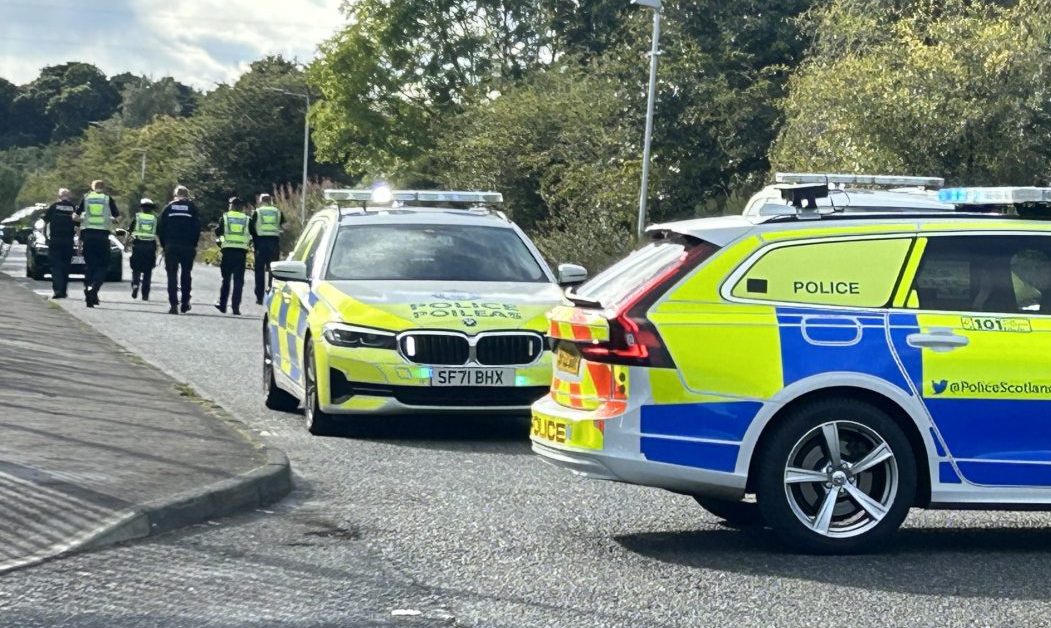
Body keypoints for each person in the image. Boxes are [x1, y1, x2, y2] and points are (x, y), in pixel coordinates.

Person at [157, 185, 202, 315]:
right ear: (187, 195)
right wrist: (193, 244)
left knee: (172, 275)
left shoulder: (168, 208)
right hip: (188, 246)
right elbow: (197, 227)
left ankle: (173, 305)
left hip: (171, 246)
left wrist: (164, 244)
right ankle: (185, 302)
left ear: (175, 195)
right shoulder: (192, 208)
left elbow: (160, 227)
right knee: (186, 274)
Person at [74, 180, 120, 307]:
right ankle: (94, 288)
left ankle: (88, 289)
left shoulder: (87, 198)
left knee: (90, 266)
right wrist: (110, 219)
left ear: (92, 187)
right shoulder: (107, 199)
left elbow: (75, 217)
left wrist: (83, 219)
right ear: (103, 188)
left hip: (88, 236)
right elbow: (116, 217)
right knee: (102, 266)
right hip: (102, 237)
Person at [214, 196, 250, 316]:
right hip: (241, 252)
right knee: (238, 281)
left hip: (228, 251)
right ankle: (235, 307)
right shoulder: (246, 219)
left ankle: (223, 305)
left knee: (226, 279)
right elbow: (251, 235)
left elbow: (218, 232)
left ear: (232, 205)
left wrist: (221, 241)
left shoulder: (225, 217)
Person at [250, 193, 285, 305]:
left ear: (260, 201)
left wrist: (253, 241)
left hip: (260, 243)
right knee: (273, 270)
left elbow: (251, 228)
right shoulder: (277, 212)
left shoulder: (257, 212)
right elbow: (284, 226)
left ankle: (259, 297)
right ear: (270, 201)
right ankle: (271, 293)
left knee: (259, 271)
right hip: (274, 243)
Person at [42, 188, 77, 299]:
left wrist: (45, 237)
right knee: (66, 266)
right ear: (69, 196)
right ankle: (63, 291)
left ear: (59, 196)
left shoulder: (54, 206)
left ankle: (57, 290)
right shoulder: (73, 208)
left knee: (56, 266)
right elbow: (78, 225)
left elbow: (45, 222)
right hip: (68, 241)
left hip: (55, 240)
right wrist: (79, 242)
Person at [127, 198, 160, 301]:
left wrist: (126, 244)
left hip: (137, 246)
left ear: (142, 208)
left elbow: (130, 233)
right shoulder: (155, 219)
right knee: (148, 272)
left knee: (136, 269)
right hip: (150, 247)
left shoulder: (137, 217)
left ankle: (135, 284)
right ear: (151, 209)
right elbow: (159, 234)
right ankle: (145, 294)